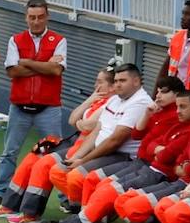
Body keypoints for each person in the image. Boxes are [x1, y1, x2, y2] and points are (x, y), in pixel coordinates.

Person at [43, 75, 188, 223]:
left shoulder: (174, 118)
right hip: (143, 164)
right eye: (157, 91)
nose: (157, 96)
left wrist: (152, 146)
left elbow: (161, 152)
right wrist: (149, 120)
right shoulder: (158, 111)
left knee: (106, 189)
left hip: (153, 169)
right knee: (94, 182)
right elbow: (139, 136)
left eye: (164, 92)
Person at [0, 67, 116, 223]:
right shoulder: (96, 100)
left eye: (99, 82)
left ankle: (30, 213)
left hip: (84, 148)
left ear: (112, 86)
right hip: (74, 142)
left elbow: (87, 126)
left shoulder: (111, 103)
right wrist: (90, 100)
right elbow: (72, 119)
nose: (95, 85)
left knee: (43, 165)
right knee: (37, 151)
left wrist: (80, 123)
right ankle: (9, 204)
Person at [113, 88, 190, 223]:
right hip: (177, 181)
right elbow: (148, 146)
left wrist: (183, 165)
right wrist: (182, 165)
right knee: (121, 202)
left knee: (133, 207)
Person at [0, 0, 67, 204]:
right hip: (19, 107)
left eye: (40, 17)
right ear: (26, 17)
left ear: (47, 16)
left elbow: (56, 70)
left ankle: (65, 198)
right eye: (32, 17)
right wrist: (44, 65)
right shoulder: (15, 39)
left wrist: (26, 63)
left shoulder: (59, 40)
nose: (36, 21)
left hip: (48, 108)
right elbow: (13, 71)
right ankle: (0, 192)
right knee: (10, 152)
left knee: (56, 154)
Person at [48, 62, 153, 208]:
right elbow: (97, 130)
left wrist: (83, 160)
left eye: (123, 81)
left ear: (136, 81)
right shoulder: (115, 99)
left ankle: (89, 218)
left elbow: (115, 141)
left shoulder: (140, 102)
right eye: (116, 81)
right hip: (103, 152)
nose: (117, 85)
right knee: (58, 171)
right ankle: (86, 211)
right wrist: (77, 157)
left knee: (77, 176)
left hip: (122, 156)